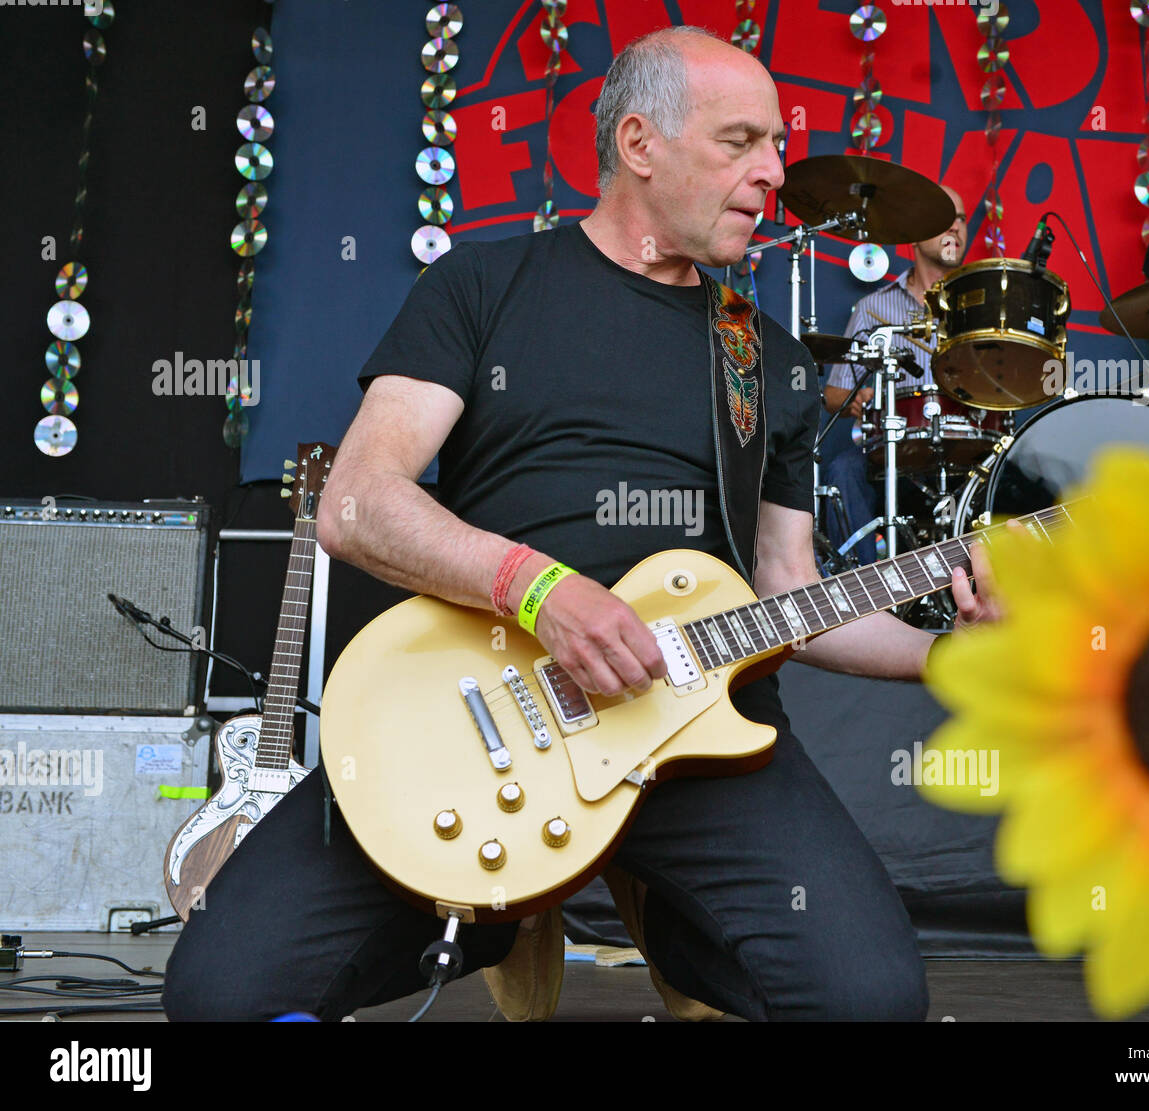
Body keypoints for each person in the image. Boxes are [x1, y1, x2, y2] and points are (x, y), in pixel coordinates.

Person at [161, 26, 997, 1024]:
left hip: (699, 734)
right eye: (741, 141)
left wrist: (948, 660)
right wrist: (542, 591)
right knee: (221, 996)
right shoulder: (483, 287)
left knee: (870, 1001)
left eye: (775, 144)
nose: (774, 172)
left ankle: (675, 919)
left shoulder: (764, 357)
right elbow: (357, 502)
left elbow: (787, 586)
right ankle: (489, 911)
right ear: (640, 143)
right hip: (479, 712)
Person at [821, 187, 968, 564]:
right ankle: (862, 602)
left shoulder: (978, 305)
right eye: (945, 217)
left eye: (962, 219)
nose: (956, 226)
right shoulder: (874, 307)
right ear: (916, 233)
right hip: (893, 447)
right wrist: (858, 399)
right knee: (842, 469)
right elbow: (834, 392)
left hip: (965, 444)